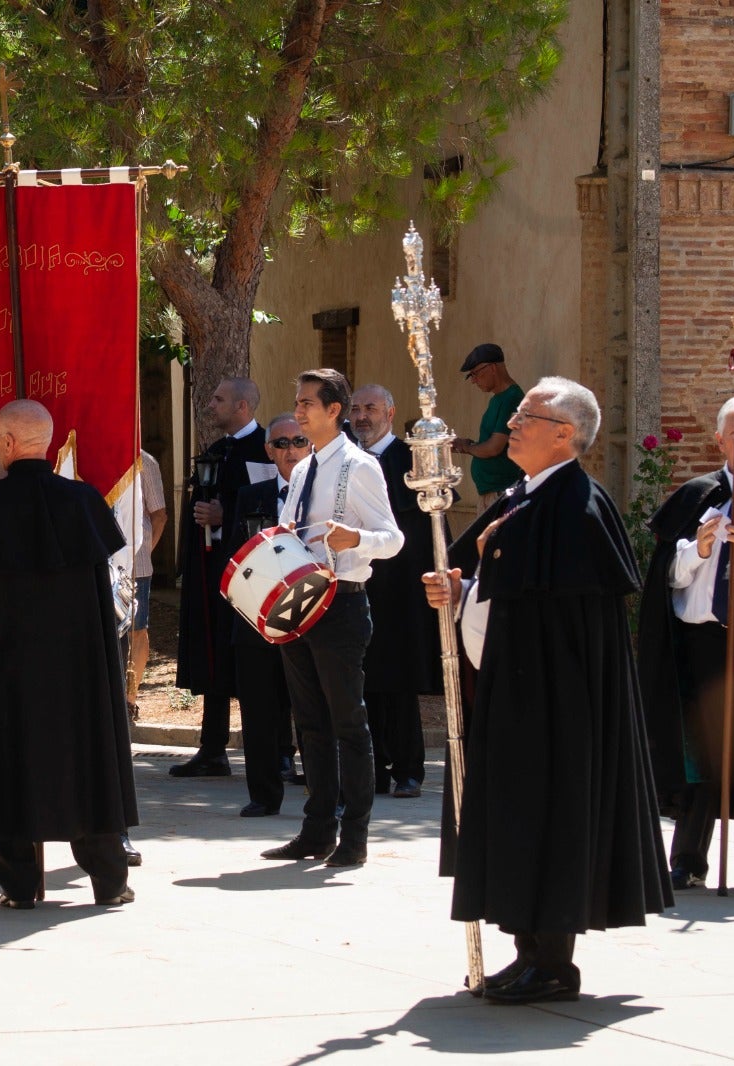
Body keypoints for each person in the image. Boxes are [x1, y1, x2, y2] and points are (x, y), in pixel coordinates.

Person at [423, 376, 671, 1003]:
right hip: (513, 698)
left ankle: (554, 963)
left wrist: (478, 588)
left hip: (555, 709)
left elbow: (554, 615)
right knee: (513, 821)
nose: (513, 425)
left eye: (527, 416)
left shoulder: (576, 508)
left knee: (550, 821)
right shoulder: (520, 495)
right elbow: (490, 583)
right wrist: (458, 589)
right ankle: (526, 950)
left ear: (564, 435)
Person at [0, 400, 137, 907]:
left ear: (4, 443)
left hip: (0, 673)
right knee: (87, 763)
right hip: (76, 675)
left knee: (4, 765)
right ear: (52, 439)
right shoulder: (84, 503)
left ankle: (19, 888)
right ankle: (110, 881)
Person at [639, 396, 734, 893]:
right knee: (700, 752)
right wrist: (696, 551)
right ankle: (688, 861)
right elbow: (666, 578)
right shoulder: (696, 496)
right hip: (701, 643)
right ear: (717, 440)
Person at [261, 369, 401, 870]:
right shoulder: (301, 469)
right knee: (310, 723)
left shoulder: (360, 467)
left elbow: (393, 538)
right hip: (301, 603)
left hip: (342, 601)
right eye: (296, 403)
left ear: (333, 410)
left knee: (348, 722)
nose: (298, 412)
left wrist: (356, 539)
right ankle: (316, 830)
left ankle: (355, 836)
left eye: (306, 404)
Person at [173, 377, 275, 778]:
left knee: (255, 661)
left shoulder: (268, 448)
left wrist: (224, 516)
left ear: (242, 406)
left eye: (219, 399)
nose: (210, 404)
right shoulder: (215, 452)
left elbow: (269, 509)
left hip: (254, 573)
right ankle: (212, 749)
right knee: (212, 654)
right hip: (210, 572)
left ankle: (273, 751)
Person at [350, 385, 439, 799]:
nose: (361, 416)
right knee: (362, 681)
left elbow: (431, 530)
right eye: (355, 409)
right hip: (356, 586)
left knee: (400, 682)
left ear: (390, 412)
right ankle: (372, 770)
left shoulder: (412, 461)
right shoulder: (344, 461)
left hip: (401, 590)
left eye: (370, 408)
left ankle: (408, 769)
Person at [227, 412, 307, 817]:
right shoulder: (250, 496)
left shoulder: (322, 495)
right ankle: (263, 794)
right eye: (280, 443)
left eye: (297, 441)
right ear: (268, 450)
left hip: (310, 617)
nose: (289, 450)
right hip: (257, 617)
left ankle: (324, 794)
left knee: (314, 708)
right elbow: (236, 557)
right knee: (258, 708)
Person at [122, 450, 168, 723]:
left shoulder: (144, 460)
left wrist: (145, 553)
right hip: (102, 560)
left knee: (137, 631)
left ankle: (130, 699)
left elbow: (159, 514)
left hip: (136, 561)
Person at [450, 343, 523, 507]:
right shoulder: (497, 399)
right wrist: (468, 444)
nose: (474, 381)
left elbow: (494, 448)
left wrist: (466, 447)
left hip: (502, 493)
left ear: (492, 368)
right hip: (491, 493)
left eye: (475, 374)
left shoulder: (511, 398)